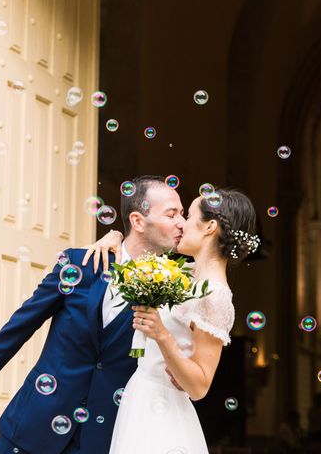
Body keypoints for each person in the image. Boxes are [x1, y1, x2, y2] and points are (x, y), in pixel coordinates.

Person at [0, 175, 186, 454]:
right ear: (137, 221)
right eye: (172, 214)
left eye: (183, 214)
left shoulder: (175, 288)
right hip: (36, 420)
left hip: (104, 436)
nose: (181, 223)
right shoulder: (82, 263)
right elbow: (24, 322)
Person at [107, 188, 259, 453]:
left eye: (188, 216)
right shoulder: (184, 274)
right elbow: (136, 252)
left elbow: (200, 385)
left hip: (163, 411)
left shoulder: (215, 295)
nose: (181, 223)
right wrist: (113, 237)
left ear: (209, 227)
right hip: (140, 399)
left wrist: (162, 335)